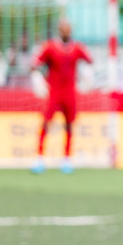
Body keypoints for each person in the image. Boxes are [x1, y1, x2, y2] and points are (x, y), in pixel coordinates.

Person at [31, 19, 92, 175]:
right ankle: (39, 157)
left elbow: (90, 61)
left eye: (68, 29)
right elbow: (34, 64)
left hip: (70, 92)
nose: (66, 31)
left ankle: (67, 158)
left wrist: (88, 77)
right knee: (46, 122)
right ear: (59, 30)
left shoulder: (77, 48)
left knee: (70, 125)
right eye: (64, 29)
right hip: (54, 92)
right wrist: (38, 80)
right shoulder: (50, 47)